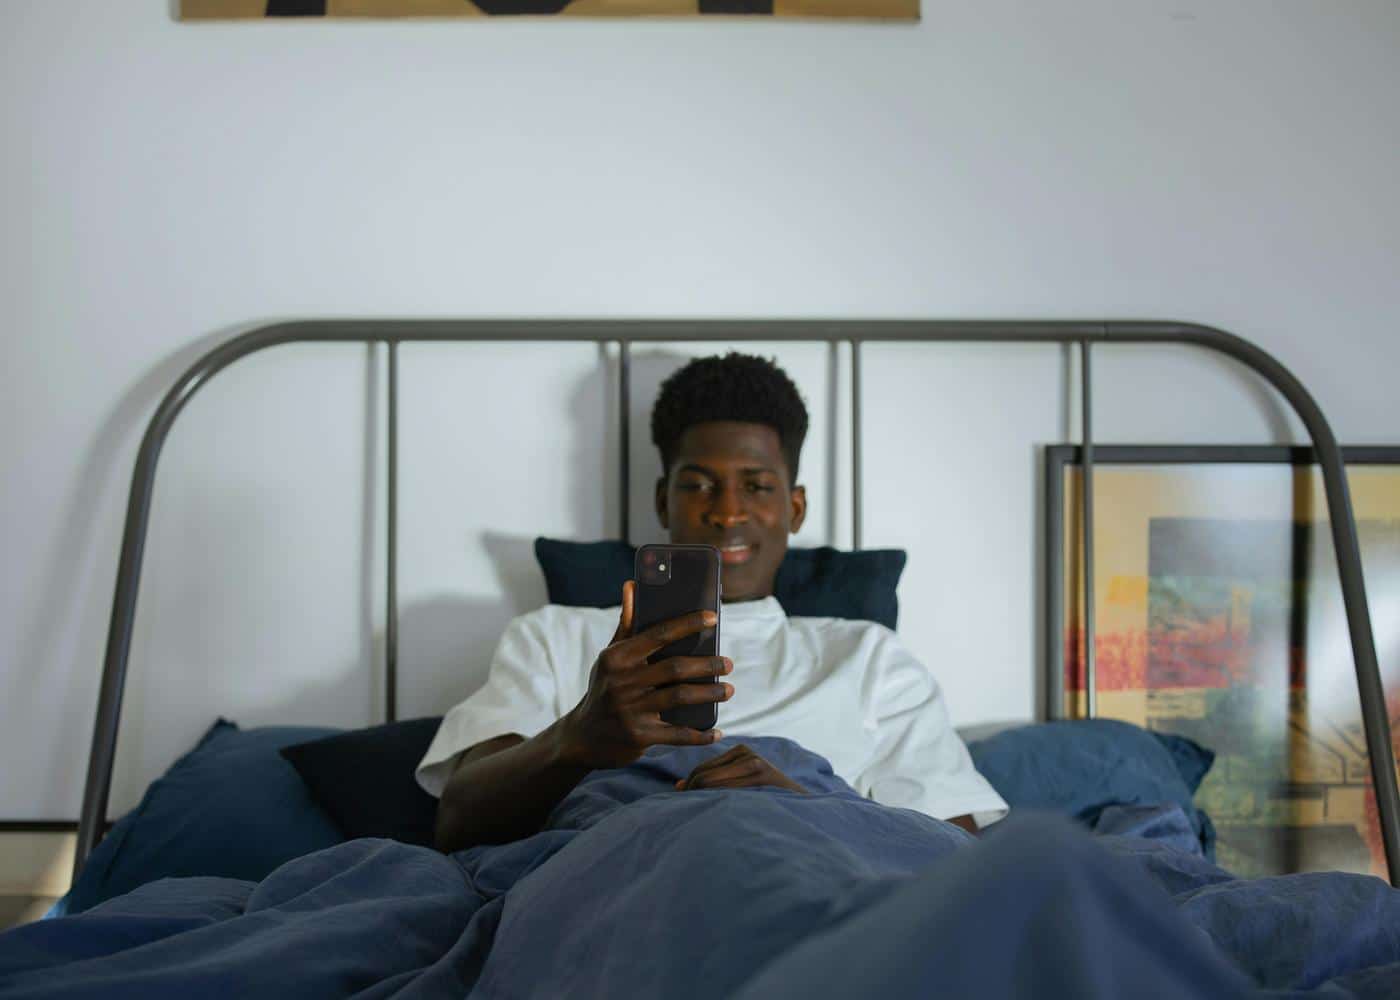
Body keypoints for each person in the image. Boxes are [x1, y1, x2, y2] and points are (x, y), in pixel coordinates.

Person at [418, 353, 1007, 852]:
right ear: (662, 500)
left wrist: (801, 809)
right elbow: (457, 822)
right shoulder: (552, 637)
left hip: (806, 884)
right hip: (616, 881)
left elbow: (952, 855)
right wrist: (577, 737)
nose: (727, 512)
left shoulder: (868, 656)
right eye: (698, 485)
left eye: (756, 485)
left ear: (794, 508)